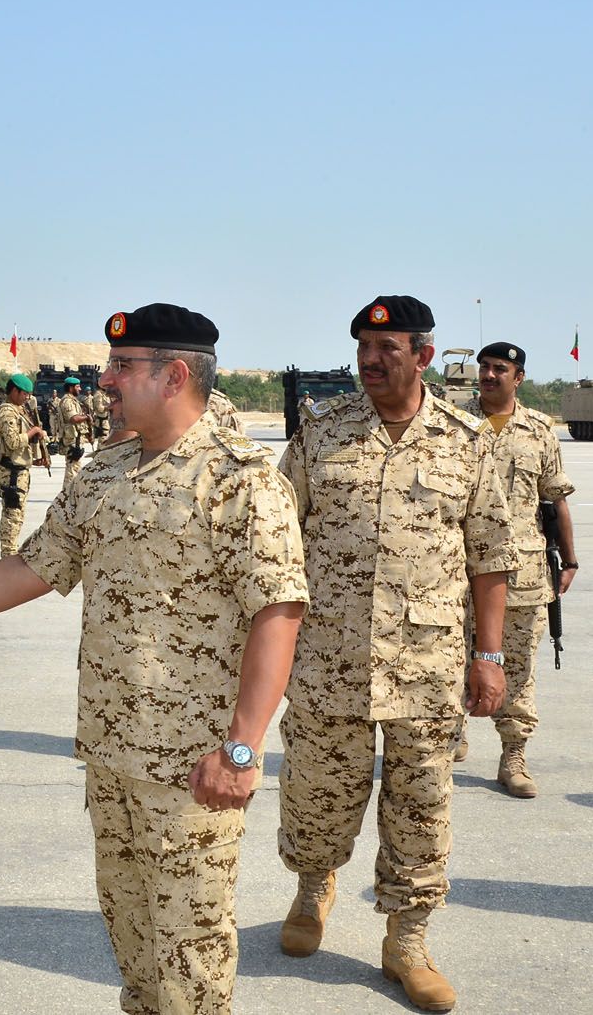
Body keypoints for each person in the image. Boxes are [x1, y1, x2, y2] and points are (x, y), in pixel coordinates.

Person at [0, 303, 309, 1015]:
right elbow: (31, 568)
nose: (105, 380)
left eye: (122, 367)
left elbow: (277, 615)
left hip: (193, 765)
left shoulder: (240, 480)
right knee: (134, 946)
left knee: (190, 959)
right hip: (110, 750)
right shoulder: (104, 473)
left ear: (175, 376)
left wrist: (242, 749)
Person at [275, 295, 513, 1012]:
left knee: (422, 805)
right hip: (328, 657)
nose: (370, 361)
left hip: (427, 664)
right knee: (316, 790)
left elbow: (490, 555)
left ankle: (406, 938)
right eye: (363, 348)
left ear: (424, 356)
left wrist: (491, 657)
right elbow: (277, 540)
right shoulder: (321, 432)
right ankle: (313, 885)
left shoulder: (466, 441)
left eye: (387, 348)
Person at [455, 341, 577, 797]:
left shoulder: (539, 430)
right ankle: (451, 733)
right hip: (458, 566)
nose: (488, 375)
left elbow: (556, 499)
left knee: (519, 667)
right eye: (484, 368)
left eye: (499, 369)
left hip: (522, 573)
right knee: (449, 656)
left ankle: (513, 755)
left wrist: (569, 560)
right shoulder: (455, 423)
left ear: (518, 377)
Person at [0, 373, 46, 557]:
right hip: (10, 473)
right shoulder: (7, 412)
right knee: (12, 515)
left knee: (17, 515)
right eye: (24, 393)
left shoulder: (17, 410)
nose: (27, 397)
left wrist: (33, 459)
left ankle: (10, 552)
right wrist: (33, 432)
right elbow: (13, 442)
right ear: (14, 391)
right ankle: (8, 554)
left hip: (18, 470)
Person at [56, 376, 92, 485]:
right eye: (77, 387)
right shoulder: (67, 401)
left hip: (75, 439)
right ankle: (68, 493)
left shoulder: (73, 401)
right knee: (72, 472)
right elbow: (73, 418)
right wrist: (86, 417)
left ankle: (71, 493)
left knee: (75, 470)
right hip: (71, 440)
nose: (80, 389)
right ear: (71, 388)